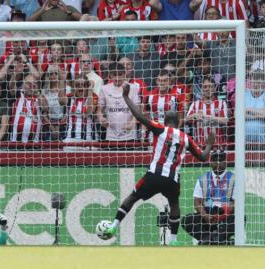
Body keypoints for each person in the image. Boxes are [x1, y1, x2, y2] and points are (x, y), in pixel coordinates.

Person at [98, 83, 214, 246]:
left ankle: (113, 226)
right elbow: (203, 157)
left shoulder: (160, 129)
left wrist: (125, 97)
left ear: (165, 121)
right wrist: (209, 143)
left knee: (133, 197)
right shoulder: (186, 138)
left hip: (154, 174)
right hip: (172, 179)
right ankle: (174, 241)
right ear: (178, 121)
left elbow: (139, 117)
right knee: (174, 205)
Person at [181, 149, 235, 245]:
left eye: (221, 160)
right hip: (208, 213)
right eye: (215, 160)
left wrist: (223, 215)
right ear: (210, 162)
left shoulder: (234, 178)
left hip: (225, 214)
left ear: (226, 162)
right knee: (187, 220)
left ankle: (213, 239)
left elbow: (235, 203)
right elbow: (197, 202)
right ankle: (211, 239)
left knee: (240, 218)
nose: (218, 163)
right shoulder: (203, 178)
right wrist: (205, 216)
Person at [98, 63, 140, 141]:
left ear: (124, 74)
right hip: (111, 134)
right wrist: (101, 119)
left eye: (120, 74)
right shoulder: (104, 89)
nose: (118, 78)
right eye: (114, 75)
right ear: (110, 76)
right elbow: (99, 110)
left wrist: (132, 123)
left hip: (129, 134)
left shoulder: (133, 88)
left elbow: (138, 110)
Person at [186, 77, 228, 145]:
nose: (207, 89)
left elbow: (225, 120)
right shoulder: (195, 104)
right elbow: (186, 119)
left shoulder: (221, 103)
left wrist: (209, 118)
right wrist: (194, 115)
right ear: (201, 89)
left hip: (217, 145)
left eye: (210, 86)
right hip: (200, 145)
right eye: (205, 87)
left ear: (214, 88)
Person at [10, 75, 43, 143]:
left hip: (34, 145)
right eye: (28, 83)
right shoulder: (17, 95)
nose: (31, 86)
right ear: (22, 85)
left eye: (34, 84)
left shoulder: (39, 99)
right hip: (16, 144)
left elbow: (46, 108)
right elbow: (11, 87)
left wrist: (37, 93)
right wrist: (15, 73)